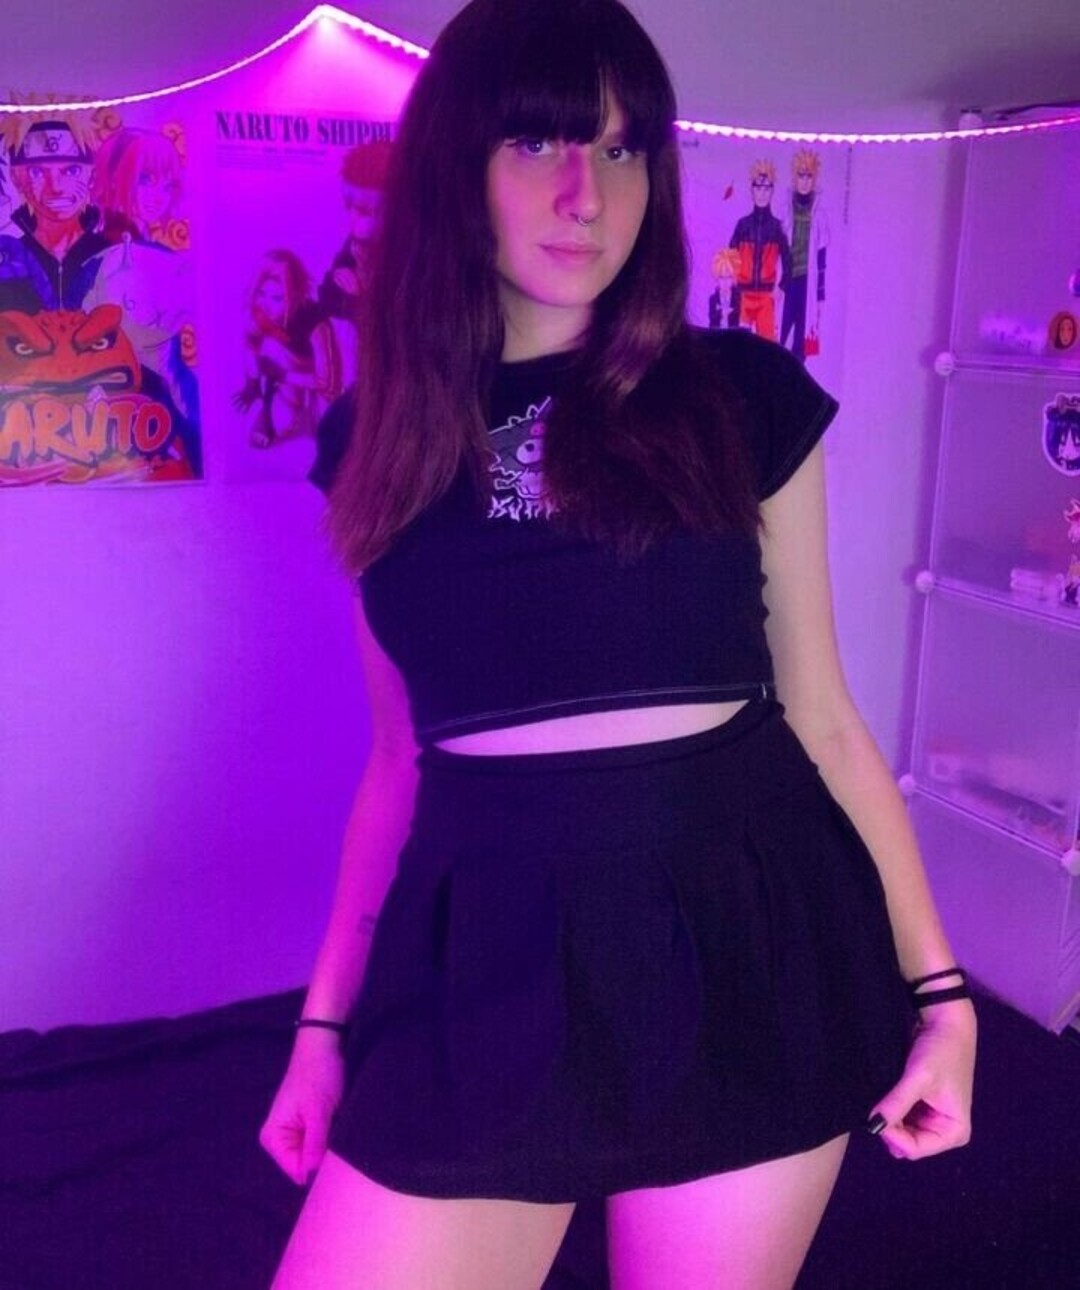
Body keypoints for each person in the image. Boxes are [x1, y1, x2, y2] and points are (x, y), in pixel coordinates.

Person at [260, 2, 976, 1286]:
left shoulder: (739, 395)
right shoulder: (375, 439)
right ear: (458, 163)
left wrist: (942, 996)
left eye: (623, 147)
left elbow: (821, 718)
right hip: (485, 956)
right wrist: (323, 1030)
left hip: (745, 933)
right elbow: (399, 764)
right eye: (539, 142)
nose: (586, 194)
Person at [233, 248, 341, 448]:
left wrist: (282, 375)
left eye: (276, 298)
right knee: (283, 420)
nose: (265, 305)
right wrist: (252, 383)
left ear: (296, 296)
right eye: (261, 294)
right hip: (293, 368)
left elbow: (328, 383)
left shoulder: (317, 326)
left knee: (327, 431)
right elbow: (250, 340)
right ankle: (276, 407)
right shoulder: (263, 315)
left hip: (324, 376)